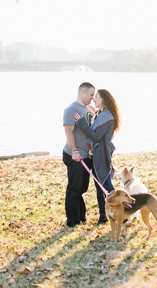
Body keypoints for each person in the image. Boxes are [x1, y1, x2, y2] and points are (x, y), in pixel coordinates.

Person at [74, 88, 121, 225]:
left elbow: (96, 135)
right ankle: (103, 215)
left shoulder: (107, 117)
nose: (94, 99)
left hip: (102, 156)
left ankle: (122, 213)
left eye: (97, 97)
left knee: (106, 186)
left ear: (104, 100)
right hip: (96, 155)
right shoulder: (101, 114)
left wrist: (82, 122)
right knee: (99, 186)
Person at [62, 81, 96, 227]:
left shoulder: (91, 109)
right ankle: (72, 221)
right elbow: (68, 131)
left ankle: (81, 218)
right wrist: (75, 151)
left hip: (87, 155)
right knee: (74, 188)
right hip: (75, 155)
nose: (93, 98)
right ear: (83, 92)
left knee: (82, 188)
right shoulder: (71, 109)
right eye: (91, 94)